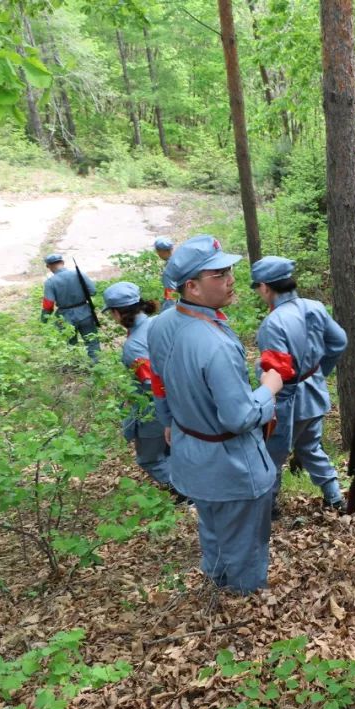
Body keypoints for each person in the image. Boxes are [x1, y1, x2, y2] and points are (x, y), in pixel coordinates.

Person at [147, 235, 283, 594]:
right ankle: (244, 602)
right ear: (191, 286)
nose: (231, 279)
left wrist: (169, 424)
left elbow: (159, 383)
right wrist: (270, 387)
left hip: (192, 455)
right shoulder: (215, 343)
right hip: (232, 465)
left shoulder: (161, 323)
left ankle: (217, 586)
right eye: (218, 274)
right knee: (247, 543)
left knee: (212, 526)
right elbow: (238, 417)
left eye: (229, 270)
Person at [250, 256, 348, 517]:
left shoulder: (272, 324)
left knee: (271, 457)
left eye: (258, 288)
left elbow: (278, 372)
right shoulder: (314, 306)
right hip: (315, 395)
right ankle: (334, 496)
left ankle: (268, 510)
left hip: (286, 403)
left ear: (266, 287)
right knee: (309, 447)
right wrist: (317, 373)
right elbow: (338, 342)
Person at [101, 281, 183, 500]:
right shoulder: (161, 322)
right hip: (182, 400)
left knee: (150, 458)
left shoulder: (134, 346)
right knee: (172, 450)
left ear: (117, 313)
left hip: (156, 410)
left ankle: (185, 492)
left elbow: (152, 384)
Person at [41, 253, 99, 361]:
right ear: (62, 262)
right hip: (85, 313)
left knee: (71, 344)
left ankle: (75, 368)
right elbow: (93, 291)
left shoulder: (50, 282)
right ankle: (97, 366)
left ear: (48, 266)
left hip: (65, 317)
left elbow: (48, 305)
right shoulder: (78, 274)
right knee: (92, 342)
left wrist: (43, 320)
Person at [154, 237, 178, 312]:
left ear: (161, 251)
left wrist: (165, 311)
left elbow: (172, 294)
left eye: (157, 251)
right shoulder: (179, 260)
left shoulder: (169, 270)